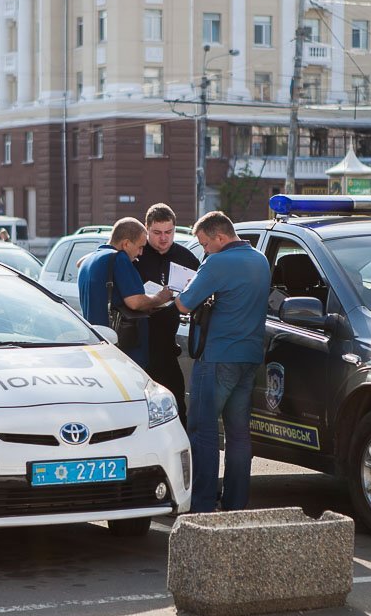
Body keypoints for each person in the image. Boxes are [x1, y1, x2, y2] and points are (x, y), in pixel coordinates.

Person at [175, 211, 270, 514]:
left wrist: (192, 283)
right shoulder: (260, 260)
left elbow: (183, 303)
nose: (204, 250)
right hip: (249, 357)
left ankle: (202, 504)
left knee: (203, 430)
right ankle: (235, 503)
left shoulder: (217, 263)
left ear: (220, 236)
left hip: (217, 358)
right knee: (238, 435)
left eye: (204, 244)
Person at [134, 203, 200, 424]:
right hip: (137, 342)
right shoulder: (136, 254)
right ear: (146, 229)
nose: (164, 238)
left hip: (168, 344)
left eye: (169, 232)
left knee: (176, 403)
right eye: (157, 233)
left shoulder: (186, 258)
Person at [78, 217, 173, 368]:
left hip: (98, 345)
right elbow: (135, 302)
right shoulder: (119, 258)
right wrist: (160, 297)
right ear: (126, 243)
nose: (141, 253)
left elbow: (80, 263)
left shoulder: (88, 261)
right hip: (123, 352)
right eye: (140, 247)